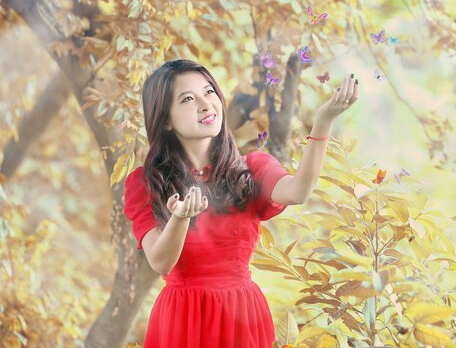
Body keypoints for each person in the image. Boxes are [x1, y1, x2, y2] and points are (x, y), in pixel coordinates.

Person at [123, 59, 358, 347]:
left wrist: (323, 123)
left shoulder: (251, 169)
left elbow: (298, 191)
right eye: (187, 99)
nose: (206, 104)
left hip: (242, 314)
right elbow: (161, 262)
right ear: (166, 120)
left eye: (209, 92)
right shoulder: (146, 183)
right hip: (182, 318)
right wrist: (180, 218)